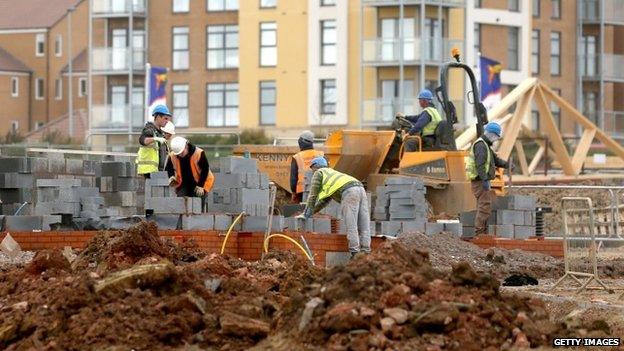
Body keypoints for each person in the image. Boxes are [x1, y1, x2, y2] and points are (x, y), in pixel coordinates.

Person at [299, 157, 371, 258]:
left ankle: (355, 254)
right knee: (364, 224)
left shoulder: (319, 172)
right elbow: (323, 202)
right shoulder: (332, 175)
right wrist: (312, 212)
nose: (312, 171)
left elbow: (312, 196)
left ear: (314, 166)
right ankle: (366, 252)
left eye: (312, 169)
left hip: (349, 191)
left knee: (351, 223)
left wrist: (305, 214)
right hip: (360, 188)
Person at [465, 122, 509, 236]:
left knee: (484, 205)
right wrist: (484, 180)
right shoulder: (481, 145)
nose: (495, 140)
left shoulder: (485, 146)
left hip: (482, 180)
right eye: (495, 137)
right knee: (484, 205)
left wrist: (507, 165)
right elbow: (480, 165)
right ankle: (479, 233)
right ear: (490, 134)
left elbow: (496, 160)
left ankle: (481, 231)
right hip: (480, 181)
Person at [165, 137, 215, 207]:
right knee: (181, 202)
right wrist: (171, 176)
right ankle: (183, 217)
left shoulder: (199, 153)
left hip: (200, 181)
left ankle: (199, 216)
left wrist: (200, 186)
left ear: (186, 146)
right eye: (178, 154)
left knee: (198, 203)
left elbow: (205, 169)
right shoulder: (173, 155)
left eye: (182, 153)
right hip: (184, 182)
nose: (180, 155)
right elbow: (169, 167)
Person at [136, 105, 172, 178]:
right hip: (149, 172)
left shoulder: (160, 133)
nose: (167, 121)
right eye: (165, 118)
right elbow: (142, 140)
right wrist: (155, 139)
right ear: (158, 117)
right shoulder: (149, 129)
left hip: (158, 171)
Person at [290, 130, 324, 203]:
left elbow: (293, 179)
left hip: (302, 191)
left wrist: (294, 193)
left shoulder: (297, 157)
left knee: (303, 212)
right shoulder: (321, 155)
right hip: (319, 189)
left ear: (301, 142)